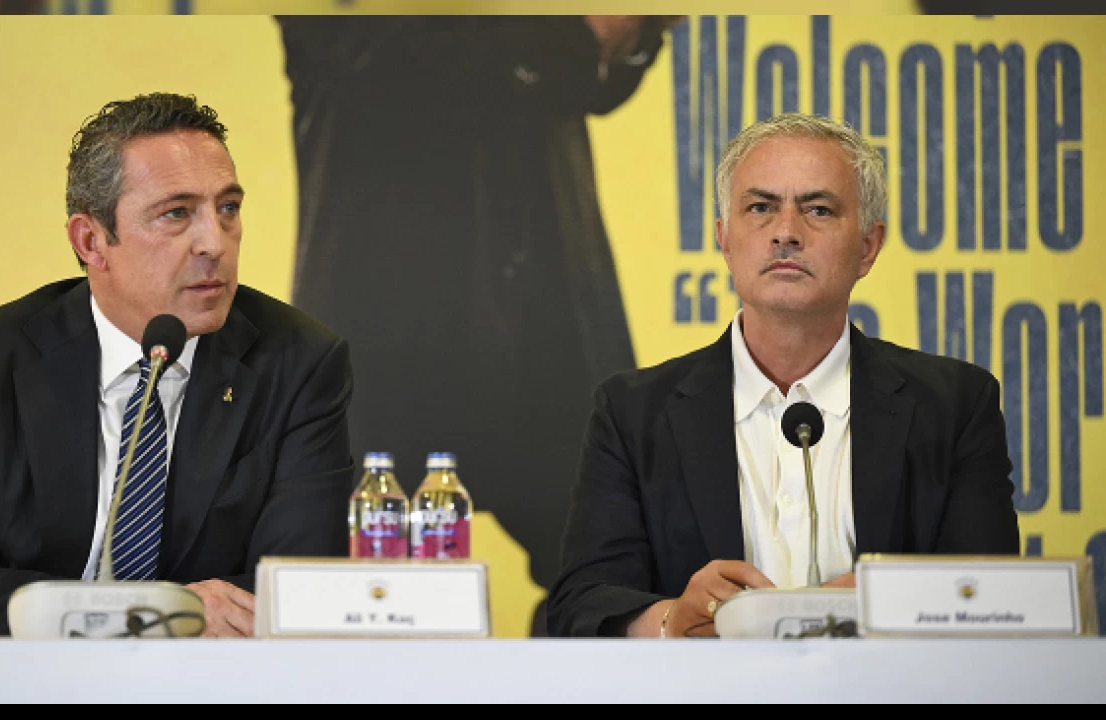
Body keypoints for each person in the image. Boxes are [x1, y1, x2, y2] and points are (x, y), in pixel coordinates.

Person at [0, 92, 355, 638]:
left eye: (227, 208)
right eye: (177, 213)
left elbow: (296, 595)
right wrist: (149, 613)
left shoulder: (298, 363)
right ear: (91, 241)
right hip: (35, 677)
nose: (214, 242)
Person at [275, 15, 678, 635]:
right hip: (393, 311)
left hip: (542, 301)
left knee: (613, 572)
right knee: (365, 584)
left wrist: (631, 33)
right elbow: (377, 56)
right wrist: (580, 36)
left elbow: (584, 86)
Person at [546, 113, 1020, 638]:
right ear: (725, 240)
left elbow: (993, 595)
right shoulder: (632, 413)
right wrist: (669, 620)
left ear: (867, 247)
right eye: (760, 208)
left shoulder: (955, 406)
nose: (786, 233)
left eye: (819, 210)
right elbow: (581, 605)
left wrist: (888, 598)